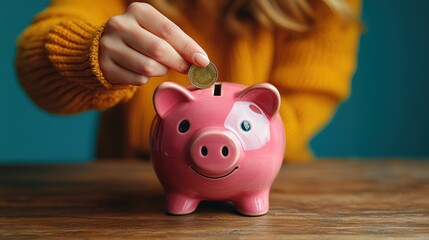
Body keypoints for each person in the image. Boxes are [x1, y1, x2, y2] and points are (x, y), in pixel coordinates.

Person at [15, 0, 361, 161]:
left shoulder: (326, 7)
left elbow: (307, 98)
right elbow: (36, 63)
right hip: (128, 196)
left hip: (275, 174)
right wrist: (87, 53)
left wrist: (207, 124)